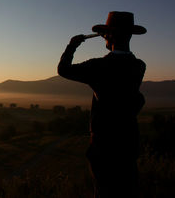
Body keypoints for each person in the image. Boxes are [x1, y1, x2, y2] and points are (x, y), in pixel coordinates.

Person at [57, 11, 146, 198]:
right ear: (130, 35)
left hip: (104, 145)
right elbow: (133, 99)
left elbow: (64, 70)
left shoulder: (97, 66)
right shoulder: (139, 66)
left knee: (104, 190)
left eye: (106, 34)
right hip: (128, 141)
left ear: (110, 35)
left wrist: (72, 46)